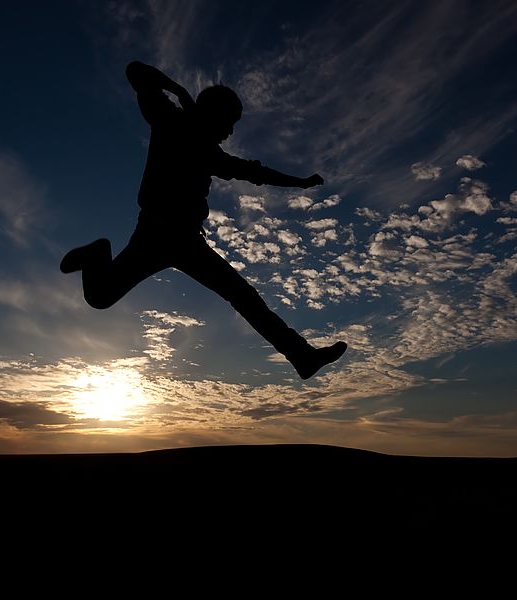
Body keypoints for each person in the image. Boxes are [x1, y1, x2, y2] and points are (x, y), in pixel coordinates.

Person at [60, 61, 347, 379]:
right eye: (230, 121)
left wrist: (300, 183)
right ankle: (98, 254)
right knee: (100, 297)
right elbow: (135, 71)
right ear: (215, 114)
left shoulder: (211, 153)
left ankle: (302, 357)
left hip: (186, 241)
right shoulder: (168, 119)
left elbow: (255, 172)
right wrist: (181, 91)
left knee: (243, 296)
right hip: (153, 234)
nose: (231, 131)